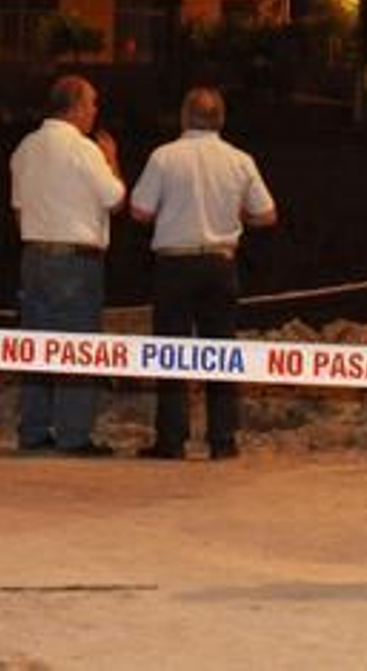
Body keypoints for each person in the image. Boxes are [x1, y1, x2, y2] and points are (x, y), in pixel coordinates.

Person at [130, 87, 276, 461]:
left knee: (171, 354)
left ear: (184, 116)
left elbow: (140, 211)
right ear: (221, 119)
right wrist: (235, 216)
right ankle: (223, 440)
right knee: (221, 353)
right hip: (220, 264)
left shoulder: (164, 157)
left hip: (174, 264)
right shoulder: (240, 160)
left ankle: (171, 441)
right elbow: (267, 214)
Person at [10, 74, 125, 457]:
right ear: (75, 106)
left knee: (35, 347)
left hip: (33, 256)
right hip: (75, 262)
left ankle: (33, 430)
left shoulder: (26, 147)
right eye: (92, 103)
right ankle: (73, 435)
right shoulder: (84, 149)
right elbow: (114, 198)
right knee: (78, 347)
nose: (95, 111)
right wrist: (111, 160)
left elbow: (18, 207)